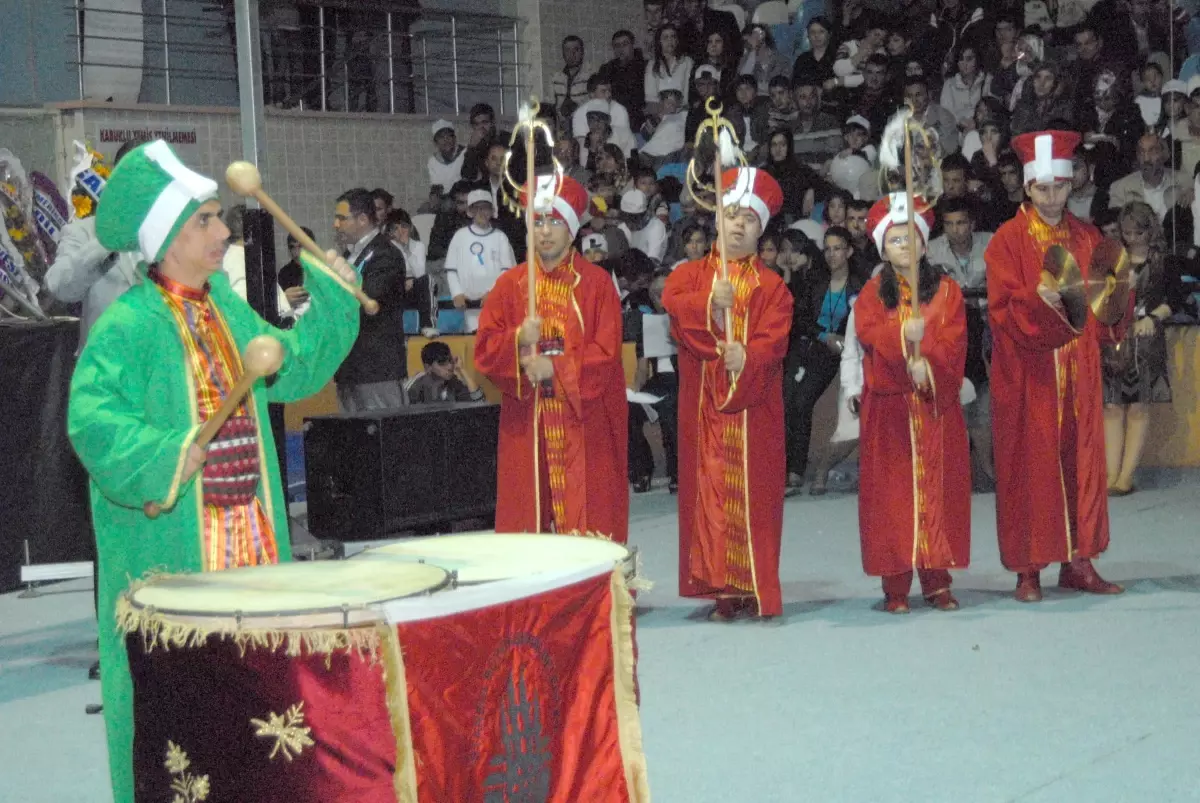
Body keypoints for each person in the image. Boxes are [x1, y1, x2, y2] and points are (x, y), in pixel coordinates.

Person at [67, 140, 360, 803]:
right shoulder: (128, 325)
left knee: (257, 711)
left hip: (251, 551)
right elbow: (92, 422)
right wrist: (171, 450)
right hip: (176, 561)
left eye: (216, 216)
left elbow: (296, 365)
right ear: (168, 236)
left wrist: (333, 296)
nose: (223, 230)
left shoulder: (225, 307)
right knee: (185, 726)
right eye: (205, 219)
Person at [984, 129, 1131, 603]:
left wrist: (1119, 298)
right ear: (1026, 187)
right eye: (1042, 188)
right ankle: (1028, 570)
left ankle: (1080, 562)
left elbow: (1105, 312)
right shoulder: (1006, 241)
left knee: (1082, 464)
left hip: (1080, 374)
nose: (1052, 197)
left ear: (1074, 185)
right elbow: (1002, 310)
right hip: (1030, 373)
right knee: (1030, 468)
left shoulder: (1089, 238)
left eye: (1061, 187)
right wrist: (1038, 299)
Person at [662, 167, 792, 623]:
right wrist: (707, 305)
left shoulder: (773, 288)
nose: (739, 224)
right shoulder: (689, 276)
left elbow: (774, 342)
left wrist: (748, 358)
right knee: (711, 494)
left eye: (750, 219)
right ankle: (721, 589)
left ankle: (753, 585)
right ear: (716, 217)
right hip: (703, 411)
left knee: (755, 496)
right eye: (731, 214)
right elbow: (677, 314)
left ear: (762, 229)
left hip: (753, 411)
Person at [474, 175, 629, 542]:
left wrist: (555, 369)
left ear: (573, 229)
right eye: (538, 220)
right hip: (529, 423)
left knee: (590, 518)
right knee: (531, 523)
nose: (545, 231)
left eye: (555, 221)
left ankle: (593, 598)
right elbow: (484, 350)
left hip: (584, 422)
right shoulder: (510, 285)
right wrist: (517, 342)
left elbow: (606, 354)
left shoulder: (596, 284)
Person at [855, 192, 971, 613]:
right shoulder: (871, 293)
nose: (905, 246)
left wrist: (932, 365)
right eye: (895, 240)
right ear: (883, 248)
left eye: (912, 238)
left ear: (925, 242)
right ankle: (896, 584)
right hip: (891, 411)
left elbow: (955, 341)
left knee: (937, 493)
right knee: (893, 499)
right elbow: (870, 334)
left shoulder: (948, 291)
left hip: (933, 409)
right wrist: (906, 343)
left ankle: (937, 578)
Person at [1103, 201, 1179, 496]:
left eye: (1137, 233)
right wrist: (1123, 286)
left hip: (1147, 339)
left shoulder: (1165, 260)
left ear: (1150, 231)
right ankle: (1111, 473)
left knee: (1137, 406)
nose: (1131, 238)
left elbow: (1175, 299)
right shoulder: (1112, 260)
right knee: (1110, 406)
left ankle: (1126, 475)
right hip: (1115, 337)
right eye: (1126, 232)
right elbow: (1102, 302)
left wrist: (1152, 317)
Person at [331, 187, 408, 412]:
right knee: (354, 444)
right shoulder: (348, 257)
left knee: (387, 442)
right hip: (349, 368)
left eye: (341, 218)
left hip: (377, 369)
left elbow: (366, 301)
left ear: (363, 219)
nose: (336, 224)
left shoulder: (386, 254)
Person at [444, 189, 517, 332]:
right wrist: (457, 293)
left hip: (496, 304)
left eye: (485, 207)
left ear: (492, 210)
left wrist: (493, 293)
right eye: (476, 208)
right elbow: (451, 270)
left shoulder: (500, 237)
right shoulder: (460, 236)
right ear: (469, 211)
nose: (481, 212)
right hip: (469, 307)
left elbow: (507, 271)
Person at [406, 340, 485, 403]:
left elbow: (479, 402)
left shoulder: (453, 382)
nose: (450, 366)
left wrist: (462, 369)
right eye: (442, 362)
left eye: (450, 360)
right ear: (428, 367)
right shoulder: (415, 387)